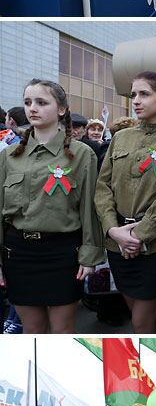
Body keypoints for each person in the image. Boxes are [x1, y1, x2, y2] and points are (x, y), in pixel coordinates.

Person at [0, 80, 103, 334]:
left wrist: (90, 255)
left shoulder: (81, 154)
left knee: (63, 332)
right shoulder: (9, 155)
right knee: (31, 331)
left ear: (61, 109)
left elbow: (90, 208)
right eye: (27, 102)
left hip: (62, 252)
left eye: (41, 102)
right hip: (18, 253)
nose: (32, 108)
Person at [94, 72, 156, 333]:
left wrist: (138, 234)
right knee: (140, 322)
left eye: (144, 94)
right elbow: (102, 188)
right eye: (133, 94)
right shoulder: (121, 138)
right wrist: (113, 231)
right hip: (118, 246)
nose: (136, 100)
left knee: (140, 321)